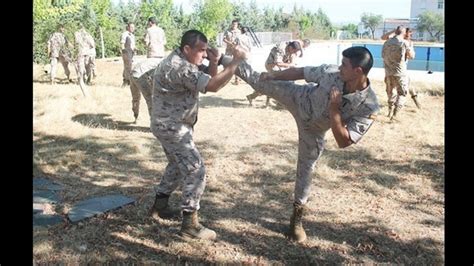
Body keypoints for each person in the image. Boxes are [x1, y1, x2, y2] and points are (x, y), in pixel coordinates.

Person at [221, 46, 380, 243]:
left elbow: (343, 142)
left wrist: (334, 109)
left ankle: (296, 220)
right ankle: (221, 58)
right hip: (298, 97)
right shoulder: (331, 72)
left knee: (306, 168)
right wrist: (274, 76)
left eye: (344, 65)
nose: (340, 68)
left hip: (313, 130)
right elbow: (301, 72)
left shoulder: (369, 105)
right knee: (258, 81)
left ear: (358, 71)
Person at [148, 30, 246, 241]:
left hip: (169, 124)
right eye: (201, 50)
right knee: (195, 170)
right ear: (187, 49)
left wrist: (215, 60)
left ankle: (159, 207)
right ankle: (190, 225)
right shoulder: (179, 66)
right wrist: (235, 62)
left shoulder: (183, 60)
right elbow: (212, 86)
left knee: (176, 166)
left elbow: (208, 78)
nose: (203, 54)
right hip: (172, 127)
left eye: (205, 50)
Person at [246, 41, 302, 107]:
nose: (294, 53)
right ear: (290, 47)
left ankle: (256, 98)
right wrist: (290, 65)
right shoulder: (279, 49)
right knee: (276, 84)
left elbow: (291, 60)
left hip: (280, 67)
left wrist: (291, 63)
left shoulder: (291, 49)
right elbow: (278, 63)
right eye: (294, 51)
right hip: (271, 66)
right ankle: (277, 103)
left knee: (271, 84)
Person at [381, 26, 415, 120]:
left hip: (388, 72)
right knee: (402, 93)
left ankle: (389, 112)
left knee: (390, 93)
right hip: (400, 73)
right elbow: (412, 56)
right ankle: (394, 115)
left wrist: (394, 31)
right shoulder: (404, 43)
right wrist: (411, 47)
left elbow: (383, 39)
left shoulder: (387, 42)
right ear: (404, 33)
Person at [129, 57, 162, 123]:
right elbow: (153, 78)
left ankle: (136, 117)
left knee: (135, 98)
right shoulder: (163, 64)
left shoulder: (159, 61)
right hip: (139, 75)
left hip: (133, 73)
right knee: (150, 98)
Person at [223, 19, 241, 85]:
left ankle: (237, 79)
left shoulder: (239, 32)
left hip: (236, 50)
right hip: (228, 50)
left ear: (237, 25)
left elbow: (241, 40)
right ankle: (225, 79)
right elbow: (224, 39)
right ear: (231, 24)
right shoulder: (227, 31)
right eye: (233, 24)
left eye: (235, 24)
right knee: (226, 63)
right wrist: (230, 43)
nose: (234, 25)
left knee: (237, 64)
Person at [120, 22, 136, 87]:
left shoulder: (132, 36)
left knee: (129, 66)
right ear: (128, 27)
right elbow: (122, 43)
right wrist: (124, 52)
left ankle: (127, 80)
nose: (133, 28)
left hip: (131, 52)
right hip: (127, 52)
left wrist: (135, 49)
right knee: (128, 67)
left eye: (133, 27)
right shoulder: (125, 34)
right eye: (131, 27)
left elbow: (133, 45)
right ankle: (126, 81)